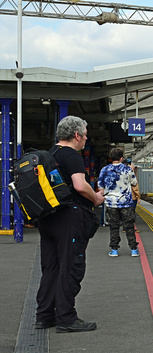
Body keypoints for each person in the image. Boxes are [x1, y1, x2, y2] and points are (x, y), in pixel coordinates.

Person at [35, 115, 105, 333]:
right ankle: (66, 318)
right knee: (71, 265)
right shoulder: (71, 155)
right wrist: (96, 198)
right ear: (76, 135)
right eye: (85, 135)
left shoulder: (48, 154)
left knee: (51, 267)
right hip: (69, 217)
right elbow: (80, 186)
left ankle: (44, 316)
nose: (86, 139)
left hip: (47, 218)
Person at [97, 148, 139, 257]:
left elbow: (100, 186)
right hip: (126, 203)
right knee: (129, 226)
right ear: (121, 158)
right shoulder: (127, 169)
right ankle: (134, 250)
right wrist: (132, 171)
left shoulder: (104, 170)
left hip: (111, 203)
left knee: (114, 226)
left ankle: (114, 250)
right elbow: (134, 183)